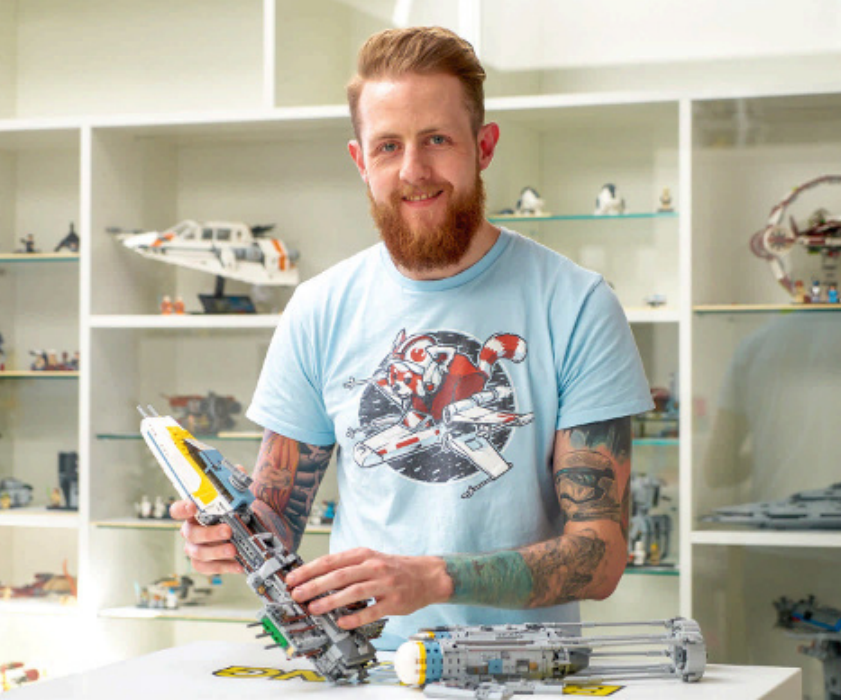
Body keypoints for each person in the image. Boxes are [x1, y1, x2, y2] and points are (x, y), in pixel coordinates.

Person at [171, 26, 653, 649]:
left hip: (527, 672)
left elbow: (601, 555)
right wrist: (225, 534)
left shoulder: (577, 305)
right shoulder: (318, 310)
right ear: (360, 161)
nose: (413, 170)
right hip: (366, 670)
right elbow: (276, 523)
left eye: (437, 140)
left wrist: (431, 579)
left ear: (484, 146)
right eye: (388, 146)